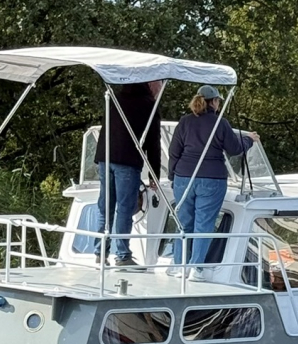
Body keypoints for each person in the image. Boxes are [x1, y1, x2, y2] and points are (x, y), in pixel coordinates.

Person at [168, 85, 259, 280]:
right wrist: (249, 140)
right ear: (215, 102)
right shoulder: (220, 123)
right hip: (212, 178)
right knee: (204, 223)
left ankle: (178, 265)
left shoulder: (185, 122)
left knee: (183, 223)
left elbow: (174, 151)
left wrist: (172, 176)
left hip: (183, 177)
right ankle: (196, 268)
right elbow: (234, 149)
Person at [94, 82, 161, 266]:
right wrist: (153, 175)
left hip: (105, 157)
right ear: (151, 84)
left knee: (105, 206)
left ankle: (100, 252)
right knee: (125, 208)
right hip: (128, 160)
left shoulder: (115, 98)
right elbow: (153, 143)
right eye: (160, 83)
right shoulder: (149, 105)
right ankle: (123, 255)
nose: (160, 88)